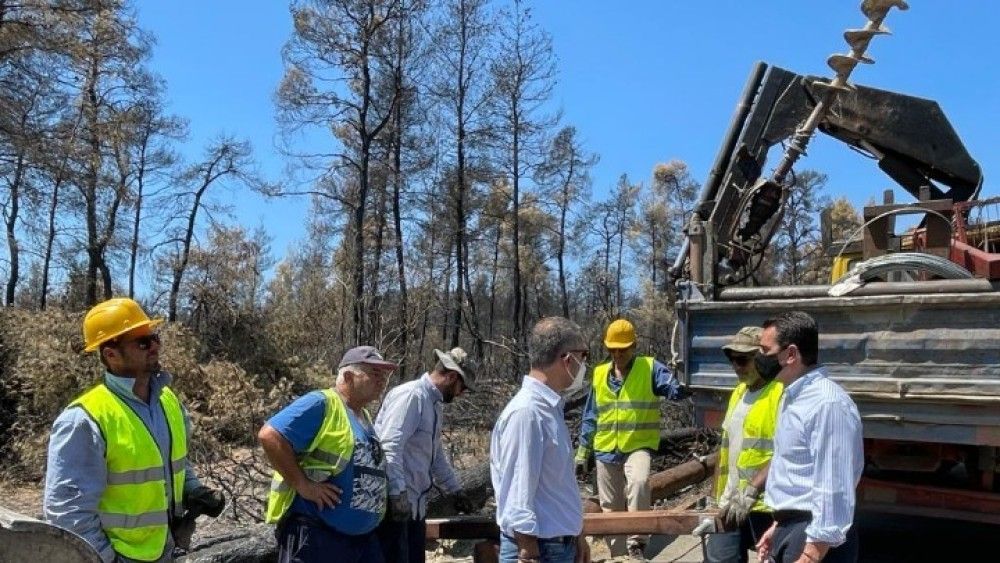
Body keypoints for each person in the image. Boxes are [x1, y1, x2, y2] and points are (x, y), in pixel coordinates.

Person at [44, 297, 224, 563]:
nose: (154, 346)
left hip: (165, 548)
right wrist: (107, 559)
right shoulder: (84, 420)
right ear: (111, 354)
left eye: (154, 338)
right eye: (142, 342)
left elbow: (175, 462)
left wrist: (194, 490)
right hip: (120, 556)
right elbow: (67, 513)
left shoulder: (168, 401)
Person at [258, 346, 396, 563]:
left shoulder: (364, 416)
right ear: (349, 376)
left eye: (384, 376)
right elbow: (270, 436)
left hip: (360, 540)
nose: (382, 381)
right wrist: (304, 486)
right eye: (375, 374)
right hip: (318, 536)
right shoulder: (321, 403)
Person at [754, 311, 864, 563]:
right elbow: (799, 474)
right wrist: (779, 526)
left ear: (791, 354)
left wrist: (811, 553)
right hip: (794, 527)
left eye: (765, 350)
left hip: (813, 538)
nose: (760, 358)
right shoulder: (793, 397)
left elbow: (834, 484)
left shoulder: (827, 403)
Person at [574, 318, 682, 560]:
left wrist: (683, 379)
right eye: (612, 349)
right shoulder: (600, 373)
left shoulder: (650, 368)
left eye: (622, 349)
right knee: (610, 505)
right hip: (605, 447)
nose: (617, 354)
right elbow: (591, 414)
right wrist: (583, 451)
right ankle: (618, 554)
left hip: (638, 444)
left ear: (634, 346)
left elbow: (674, 389)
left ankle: (637, 543)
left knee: (639, 482)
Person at [491, 317, 591, 563]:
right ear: (567, 359)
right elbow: (519, 488)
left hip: (555, 545)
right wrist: (527, 550)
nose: (583, 365)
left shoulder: (548, 408)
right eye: (583, 356)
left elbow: (556, 485)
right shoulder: (528, 413)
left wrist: (576, 534)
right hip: (539, 550)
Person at [374, 347, 477, 563]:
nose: (461, 393)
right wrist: (396, 494)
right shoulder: (411, 396)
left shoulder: (434, 404)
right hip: (394, 508)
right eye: (462, 387)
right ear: (451, 377)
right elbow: (389, 446)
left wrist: (456, 490)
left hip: (414, 509)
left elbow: (435, 454)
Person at [706, 326, 783, 563]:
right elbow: (726, 447)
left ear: (762, 358)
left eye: (743, 360)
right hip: (730, 503)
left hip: (766, 506)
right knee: (719, 558)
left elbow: (787, 453)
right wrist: (714, 496)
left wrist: (751, 491)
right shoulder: (739, 392)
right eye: (732, 360)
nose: (736, 367)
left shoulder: (779, 394)